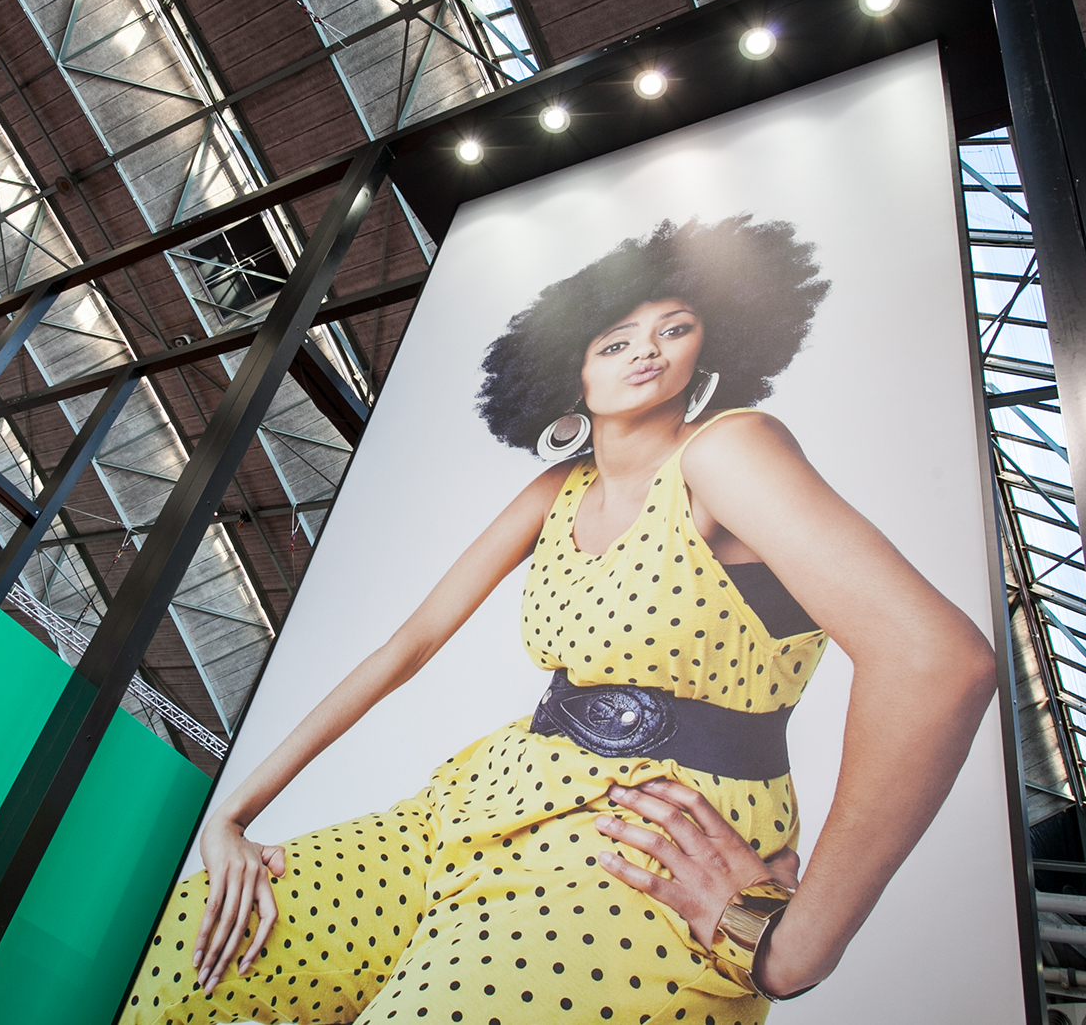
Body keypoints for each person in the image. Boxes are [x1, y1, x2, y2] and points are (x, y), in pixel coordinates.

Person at [121, 217, 996, 1025]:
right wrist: (231, 813)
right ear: (567, 370)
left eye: (674, 326)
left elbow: (935, 661)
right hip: (477, 805)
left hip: (641, 852)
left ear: (713, 339)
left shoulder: (729, 450)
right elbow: (410, 644)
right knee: (184, 944)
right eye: (616, 339)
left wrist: (795, 942)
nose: (646, 350)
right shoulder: (555, 490)